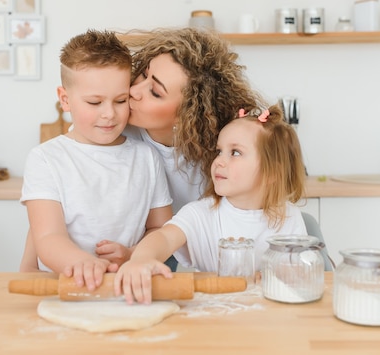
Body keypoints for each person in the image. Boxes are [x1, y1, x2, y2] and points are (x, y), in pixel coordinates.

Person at [20, 30, 173, 290]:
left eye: (120, 100)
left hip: (124, 288)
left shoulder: (146, 157)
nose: (109, 114)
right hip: (65, 288)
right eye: (94, 102)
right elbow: (47, 236)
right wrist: (82, 263)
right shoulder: (46, 159)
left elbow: (161, 229)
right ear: (65, 99)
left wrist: (133, 253)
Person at [114, 104, 308, 304]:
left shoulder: (289, 217)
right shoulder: (200, 214)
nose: (219, 162)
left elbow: (299, 276)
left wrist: (275, 278)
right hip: (213, 317)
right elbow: (163, 237)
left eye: (235, 153)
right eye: (219, 151)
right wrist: (141, 259)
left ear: (272, 173)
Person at [123, 28, 267, 270]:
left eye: (155, 92)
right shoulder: (111, 130)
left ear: (187, 115)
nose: (134, 91)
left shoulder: (218, 157)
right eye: (143, 74)